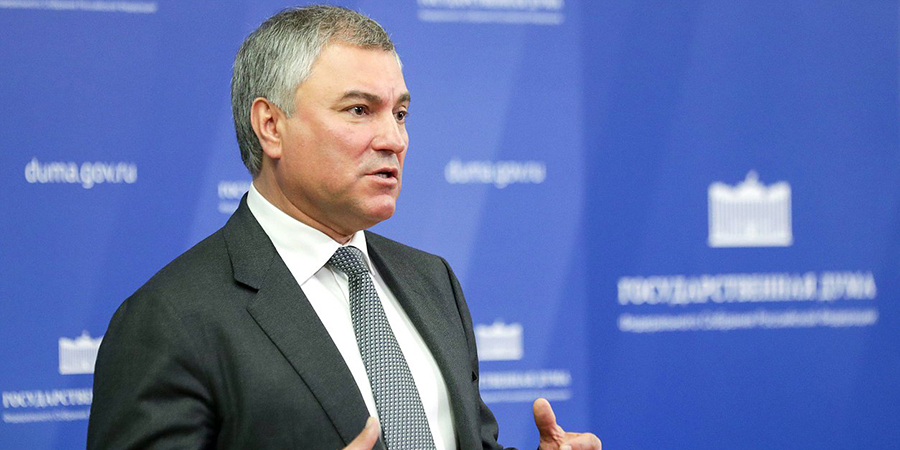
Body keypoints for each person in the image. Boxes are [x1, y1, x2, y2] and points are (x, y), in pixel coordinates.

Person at [87, 5, 601, 450]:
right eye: (359, 110)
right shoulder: (169, 319)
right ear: (271, 126)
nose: (394, 139)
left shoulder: (433, 281)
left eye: (400, 113)